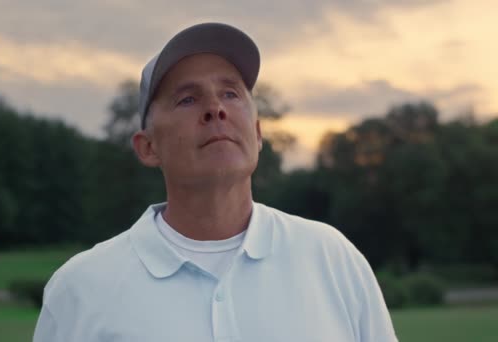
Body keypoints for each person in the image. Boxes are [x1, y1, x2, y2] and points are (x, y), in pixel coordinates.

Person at [33, 22, 398, 342]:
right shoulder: (79, 289)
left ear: (257, 135)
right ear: (148, 148)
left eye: (230, 93)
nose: (215, 108)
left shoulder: (332, 258)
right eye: (188, 99)